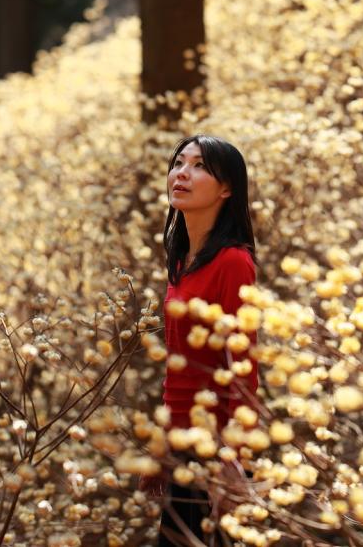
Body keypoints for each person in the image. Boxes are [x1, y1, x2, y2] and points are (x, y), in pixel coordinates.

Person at [140, 134, 260, 546]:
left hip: (215, 448)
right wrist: (164, 442)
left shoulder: (233, 262)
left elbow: (243, 365)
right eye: (179, 162)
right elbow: (181, 367)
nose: (183, 173)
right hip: (183, 444)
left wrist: (233, 459)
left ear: (227, 188)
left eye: (200, 166)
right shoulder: (180, 259)